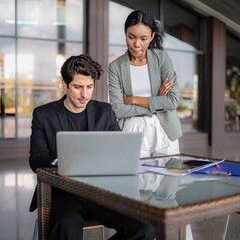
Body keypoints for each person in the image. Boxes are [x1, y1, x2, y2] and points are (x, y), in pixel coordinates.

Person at [29, 54, 156, 240]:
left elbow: (121, 150)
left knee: (146, 226)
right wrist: (63, 160)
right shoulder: (43, 115)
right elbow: (36, 160)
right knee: (65, 227)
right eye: (78, 87)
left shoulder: (105, 112)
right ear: (65, 84)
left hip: (102, 191)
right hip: (65, 193)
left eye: (90, 87)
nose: (85, 94)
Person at [108, 9, 182, 159]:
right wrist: (155, 103)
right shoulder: (115, 67)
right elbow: (117, 109)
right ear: (125, 33)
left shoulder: (161, 58)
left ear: (152, 36)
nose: (137, 44)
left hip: (164, 130)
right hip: (132, 130)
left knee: (169, 180)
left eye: (143, 38)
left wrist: (134, 99)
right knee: (135, 180)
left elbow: (173, 101)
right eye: (131, 37)